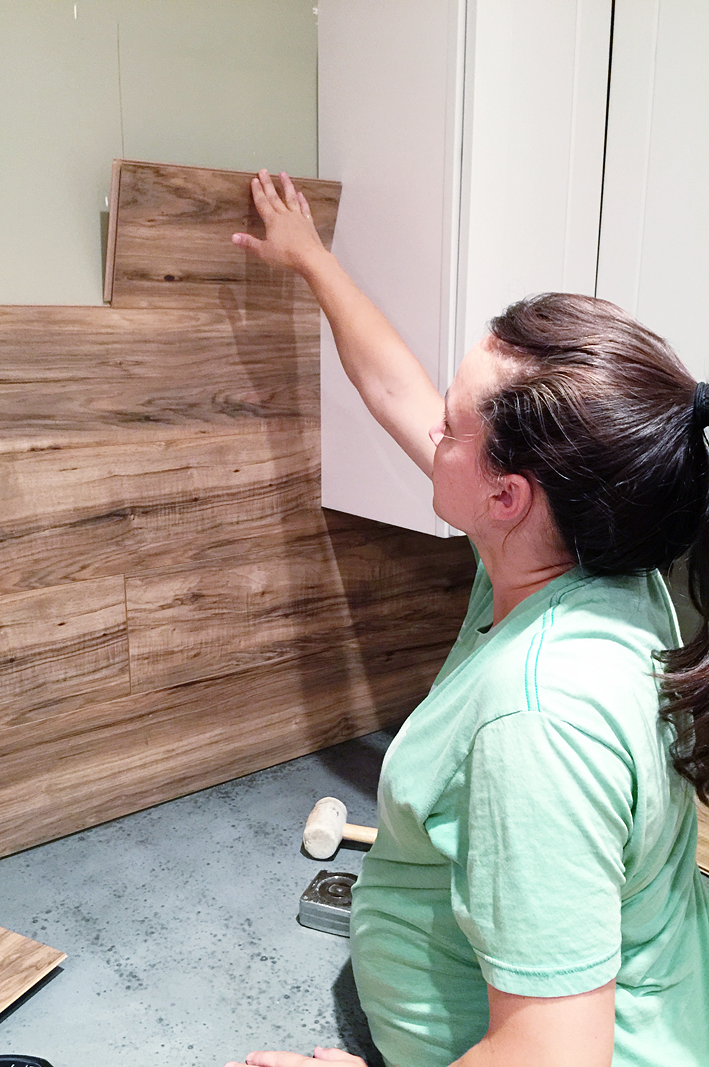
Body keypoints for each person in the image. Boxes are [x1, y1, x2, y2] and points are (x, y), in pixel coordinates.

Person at [223, 171, 709, 1067]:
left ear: (507, 495)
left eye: (451, 427)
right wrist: (311, 260)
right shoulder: (581, 561)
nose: (431, 431)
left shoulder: (543, 718)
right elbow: (398, 389)